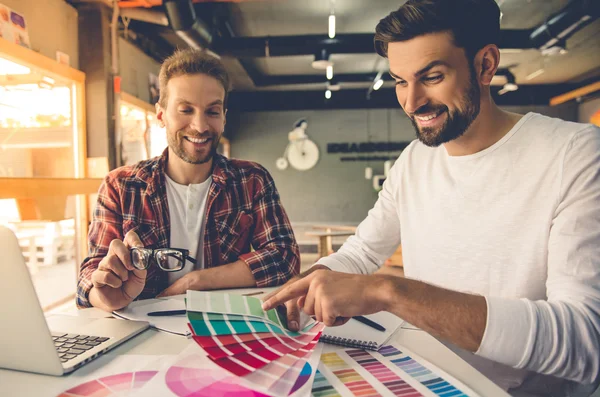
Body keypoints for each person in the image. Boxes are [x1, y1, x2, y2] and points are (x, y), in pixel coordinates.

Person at [262, 0, 600, 395]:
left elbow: (585, 339)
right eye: (400, 81)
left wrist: (388, 291)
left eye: (432, 77)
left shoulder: (576, 154)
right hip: (424, 382)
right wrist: (310, 281)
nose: (411, 102)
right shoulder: (415, 160)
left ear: (486, 65)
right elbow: (361, 252)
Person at [77, 48, 299, 312]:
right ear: (161, 115)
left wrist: (196, 281)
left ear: (224, 118)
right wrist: (105, 297)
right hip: (142, 329)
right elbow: (90, 274)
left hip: (224, 325)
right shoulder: (121, 185)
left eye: (212, 112)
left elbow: (284, 257)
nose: (200, 126)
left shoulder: (252, 180)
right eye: (186, 110)